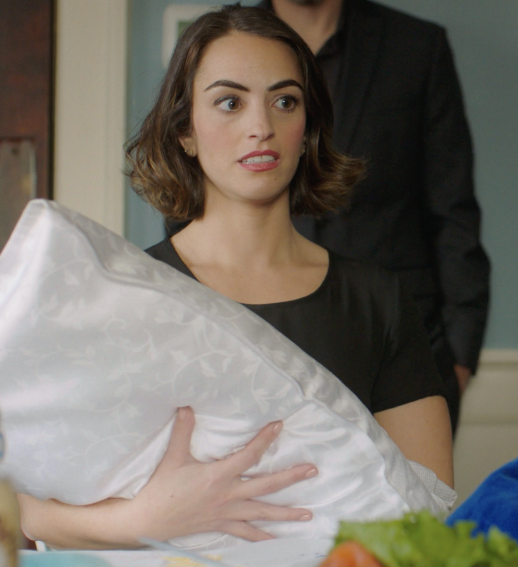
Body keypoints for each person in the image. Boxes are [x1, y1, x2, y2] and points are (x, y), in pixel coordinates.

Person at [17, 6, 453, 549]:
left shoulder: (379, 301)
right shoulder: (126, 294)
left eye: (285, 101)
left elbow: (426, 521)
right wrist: (142, 521)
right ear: (185, 132)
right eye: (230, 102)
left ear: (308, 128)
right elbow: (30, 509)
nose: (260, 127)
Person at [256, 0, 491, 433]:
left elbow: (453, 206)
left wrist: (459, 354)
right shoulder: (223, 43)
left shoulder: (417, 46)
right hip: (260, 348)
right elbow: (194, 199)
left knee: (411, 503)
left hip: (401, 349)